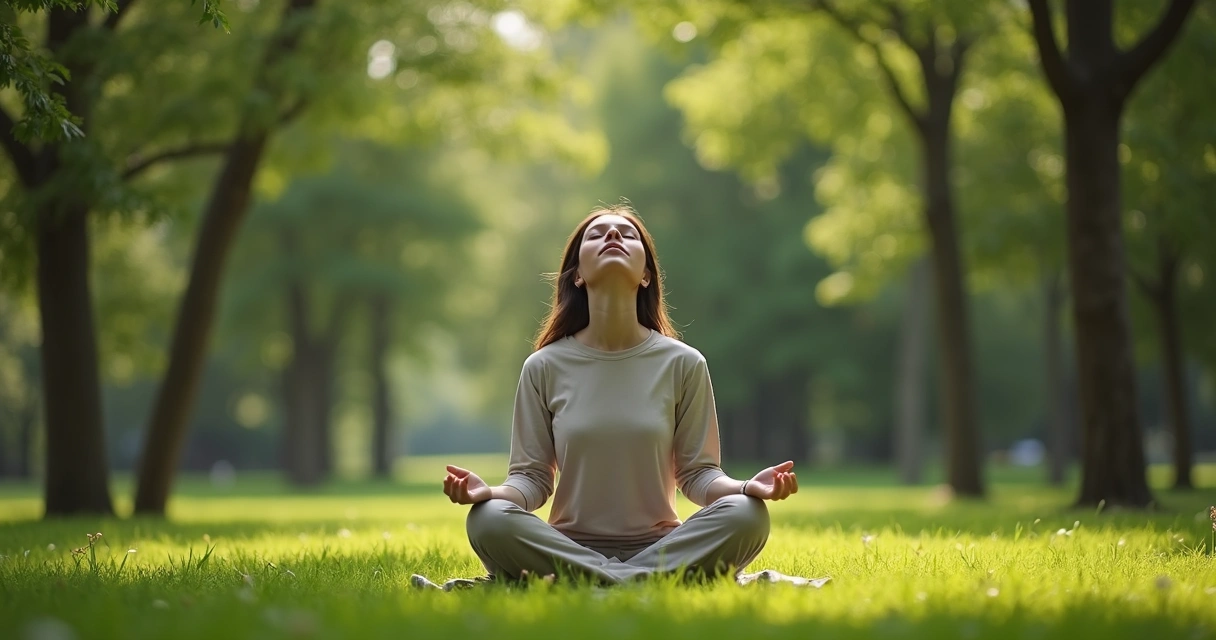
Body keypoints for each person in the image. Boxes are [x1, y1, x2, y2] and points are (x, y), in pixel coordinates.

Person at [437, 204, 801, 586]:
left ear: (646, 275)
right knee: (488, 518)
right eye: (596, 234)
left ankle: (597, 583)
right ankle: (641, 582)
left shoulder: (684, 363)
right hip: (568, 546)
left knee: (748, 514)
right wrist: (489, 492)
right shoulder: (543, 367)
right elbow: (531, 480)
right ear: (577, 275)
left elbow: (698, 474)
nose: (612, 236)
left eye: (627, 234)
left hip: (663, 546)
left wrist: (746, 488)